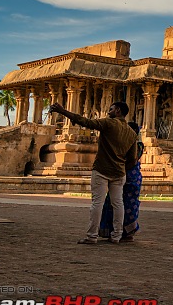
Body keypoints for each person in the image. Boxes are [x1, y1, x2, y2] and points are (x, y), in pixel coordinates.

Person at [48, 101, 137, 244]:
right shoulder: (132, 133)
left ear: (118, 111)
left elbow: (86, 122)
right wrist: (121, 166)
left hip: (102, 169)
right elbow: (133, 159)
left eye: (111, 109)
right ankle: (116, 235)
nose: (109, 112)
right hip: (119, 172)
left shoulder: (109, 123)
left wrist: (63, 111)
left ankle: (92, 236)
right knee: (118, 204)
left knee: (97, 203)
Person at [99, 122, 144, 242]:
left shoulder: (137, 145)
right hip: (124, 175)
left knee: (127, 205)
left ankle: (126, 232)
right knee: (114, 203)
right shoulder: (126, 143)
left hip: (128, 175)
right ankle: (115, 231)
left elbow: (133, 160)